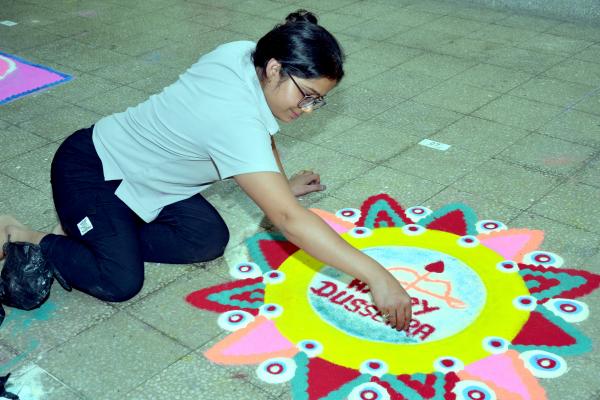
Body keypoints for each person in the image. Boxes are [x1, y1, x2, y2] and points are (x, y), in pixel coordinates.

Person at [0, 10, 412, 330]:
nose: (306, 110)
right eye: (306, 97)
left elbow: (260, 132)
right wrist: (375, 274)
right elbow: (288, 218)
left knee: (207, 239)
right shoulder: (232, 118)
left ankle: (103, 233)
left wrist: (280, 187)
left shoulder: (243, 52)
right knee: (119, 281)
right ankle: (28, 235)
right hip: (92, 169)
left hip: (151, 185)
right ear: (274, 69)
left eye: (316, 101)